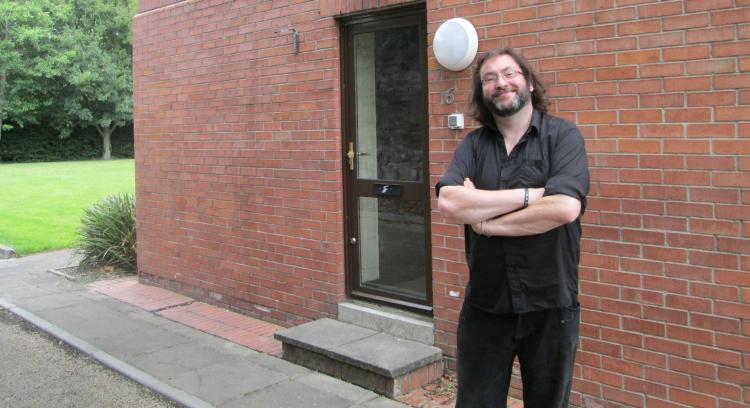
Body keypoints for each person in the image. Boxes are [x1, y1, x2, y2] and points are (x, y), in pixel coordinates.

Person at [436, 47, 590, 407]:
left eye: (509, 74)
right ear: (482, 92)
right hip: (485, 305)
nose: (500, 83)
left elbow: (565, 207)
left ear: (529, 83)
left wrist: (487, 225)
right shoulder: (473, 145)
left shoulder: (563, 137)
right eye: (489, 78)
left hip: (551, 304)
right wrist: (531, 195)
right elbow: (450, 201)